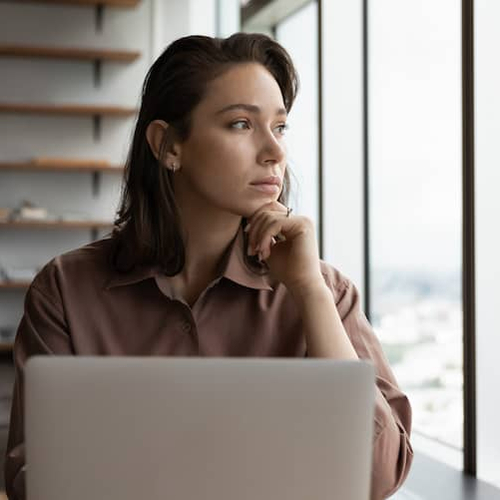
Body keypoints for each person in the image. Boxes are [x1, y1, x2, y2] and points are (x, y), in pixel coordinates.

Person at [4, 33, 413, 500]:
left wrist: (308, 289)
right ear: (168, 145)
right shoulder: (64, 290)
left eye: (279, 127)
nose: (275, 152)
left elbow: (378, 477)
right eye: (241, 124)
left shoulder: (325, 291)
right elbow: (32, 478)